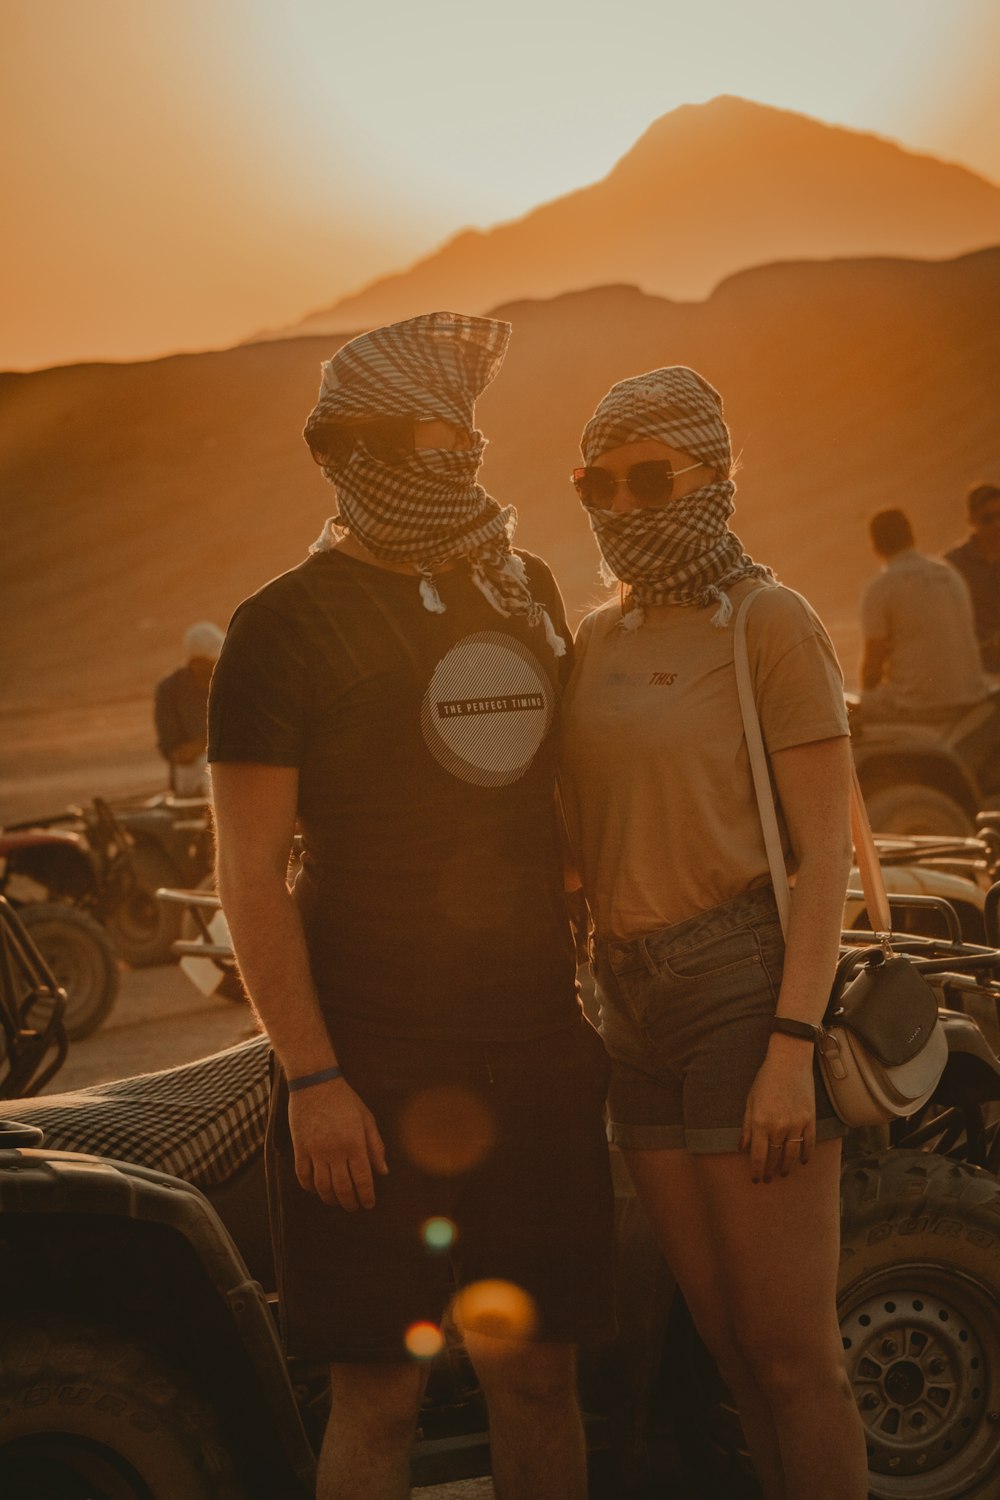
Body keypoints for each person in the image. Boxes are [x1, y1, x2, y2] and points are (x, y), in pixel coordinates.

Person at [207, 312, 614, 1500]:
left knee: (537, 1377)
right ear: (367, 449)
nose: (466, 465)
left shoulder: (520, 586)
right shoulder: (281, 628)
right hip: (369, 1066)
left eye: (476, 443)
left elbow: (574, 802)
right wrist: (313, 1079)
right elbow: (248, 876)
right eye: (443, 441)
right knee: (378, 1394)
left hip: (535, 1049)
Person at [558, 366, 869, 1500]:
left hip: (743, 991)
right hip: (626, 1003)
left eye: (651, 479)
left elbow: (825, 850)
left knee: (794, 1360)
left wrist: (791, 1047)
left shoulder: (769, 624)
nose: (627, 507)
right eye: (600, 484)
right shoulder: (593, 637)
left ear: (713, 475)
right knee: (731, 1354)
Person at [859, 508, 990, 721]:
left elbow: (872, 668)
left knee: (850, 713)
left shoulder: (880, 587)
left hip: (919, 708)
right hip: (971, 698)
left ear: (875, 546)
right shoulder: (949, 573)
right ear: (911, 537)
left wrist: (867, 700)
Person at [154, 621, 224, 795]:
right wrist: (205, 746)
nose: (218, 663)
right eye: (213, 660)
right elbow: (176, 751)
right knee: (205, 767)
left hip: (222, 762)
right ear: (196, 662)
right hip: (190, 772)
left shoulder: (227, 682)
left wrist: (201, 745)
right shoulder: (169, 689)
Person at [945, 482, 1000, 675]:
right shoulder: (953, 565)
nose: (997, 525)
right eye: (988, 519)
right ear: (971, 521)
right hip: (977, 669)